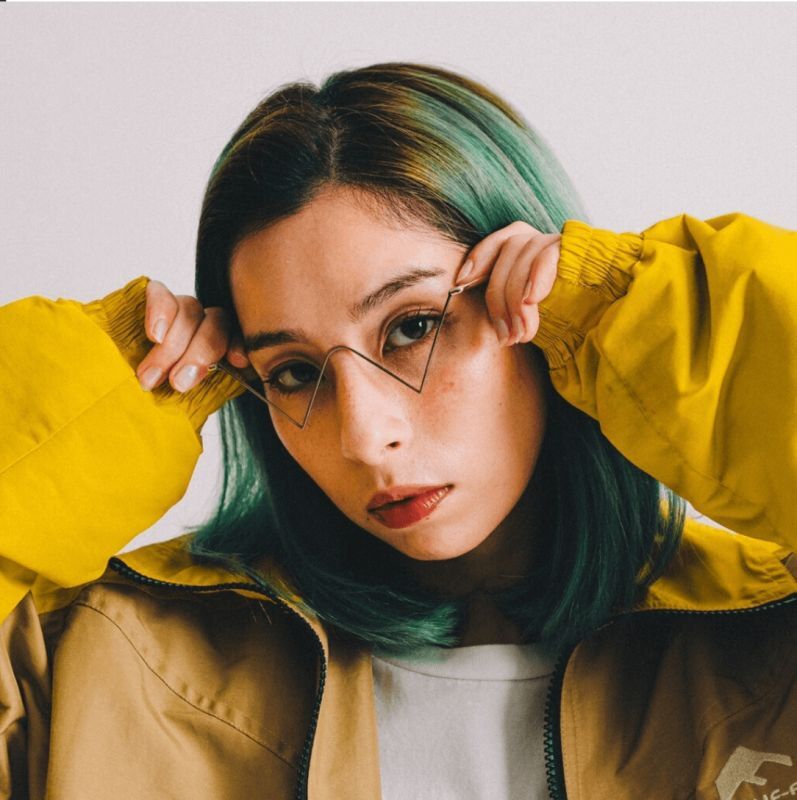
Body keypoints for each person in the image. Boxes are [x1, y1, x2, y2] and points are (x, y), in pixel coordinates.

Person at [1, 61, 795, 800]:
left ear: (543, 308)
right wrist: (79, 404)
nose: (362, 435)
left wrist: (649, 314)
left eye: (413, 326)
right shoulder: (97, 660)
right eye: (294, 372)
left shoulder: (770, 636)